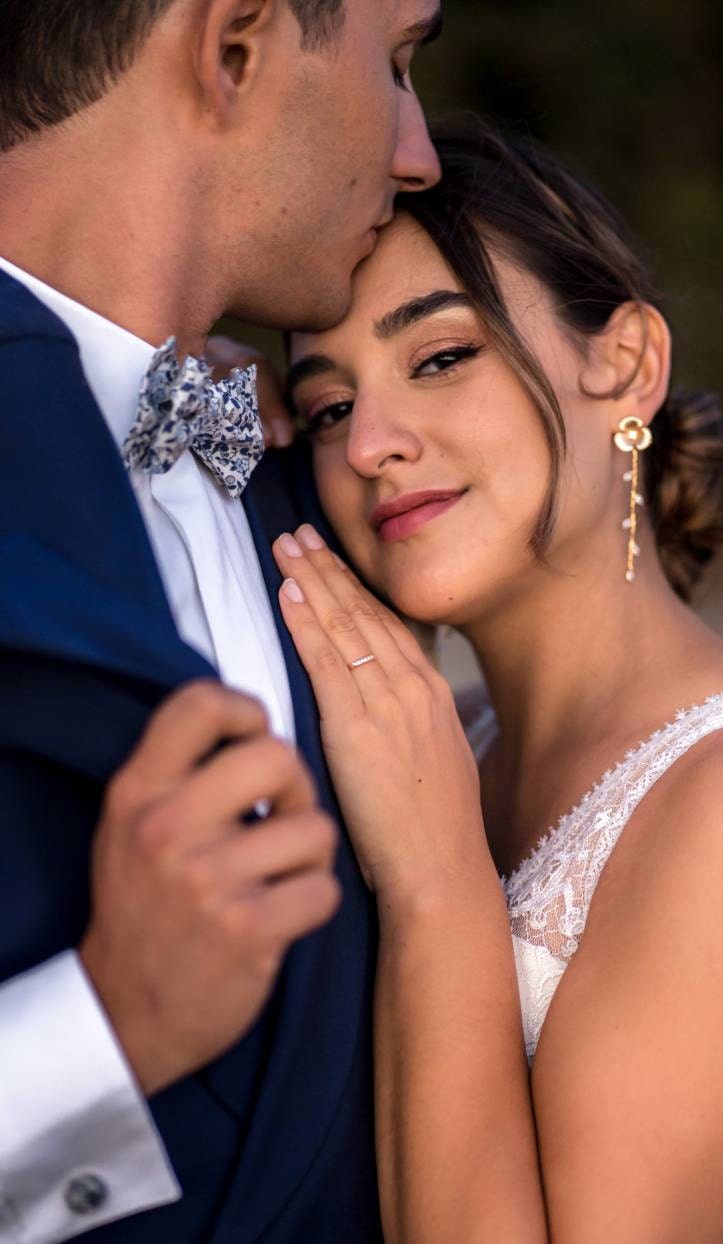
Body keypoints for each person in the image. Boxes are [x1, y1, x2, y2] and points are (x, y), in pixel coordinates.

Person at [272, 119, 723, 1243]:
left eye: (438, 357)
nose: (371, 440)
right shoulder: (440, 742)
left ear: (622, 363)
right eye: (327, 407)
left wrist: (438, 886)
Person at [0, 1, 440, 1240]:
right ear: (233, 46)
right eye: (397, 63)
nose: (419, 154)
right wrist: (101, 1031)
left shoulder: (320, 467)